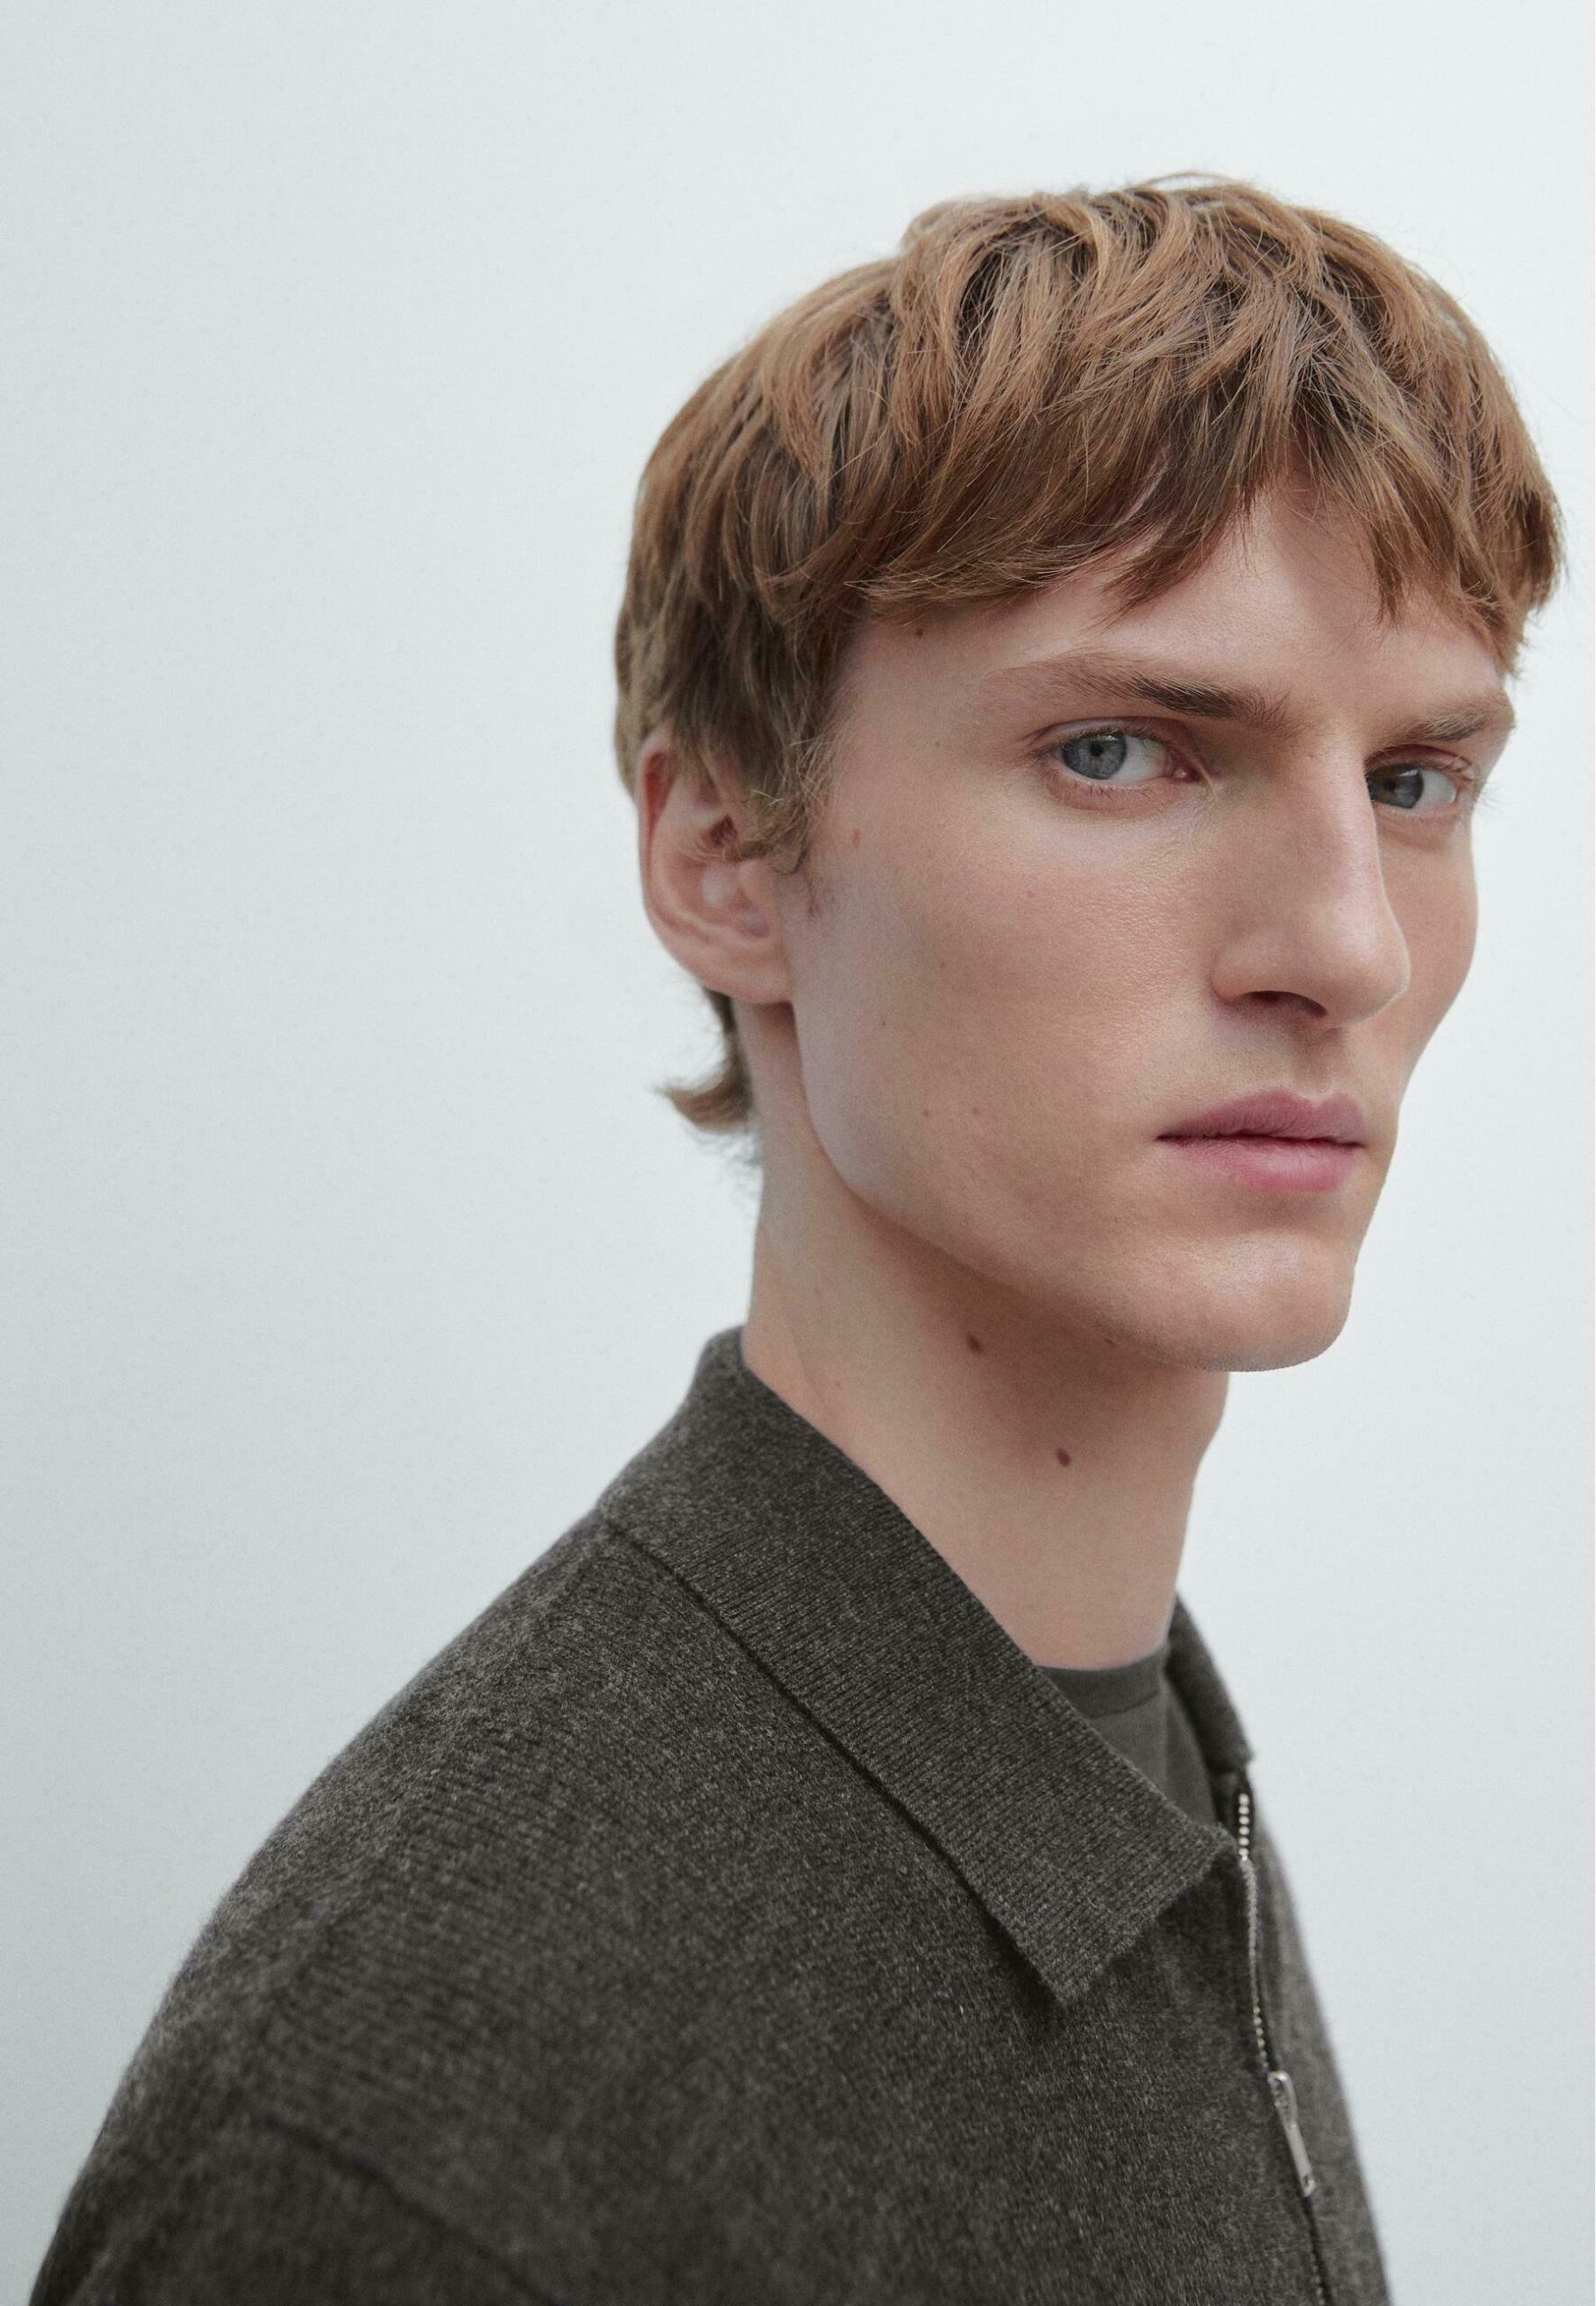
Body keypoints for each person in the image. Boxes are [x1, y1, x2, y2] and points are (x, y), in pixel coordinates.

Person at [32, 177, 1562, 2306]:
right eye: (1118, 750)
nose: (1347, 943)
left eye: (1413, 779)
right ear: (729, 856)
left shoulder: (1116, 1750)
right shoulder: (430, 2157)